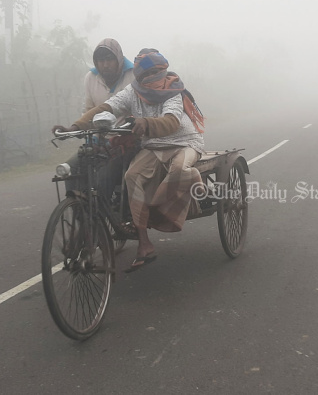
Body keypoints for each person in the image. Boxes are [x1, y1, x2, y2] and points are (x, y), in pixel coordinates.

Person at [61, 49, 205, 273]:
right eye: (147, 74)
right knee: (132, 176)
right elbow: (106, 107)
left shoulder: (173, 90)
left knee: (180, 170)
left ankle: (160, 213)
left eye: (157, 72)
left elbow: (171, 122)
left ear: (165, 71)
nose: (152, 78)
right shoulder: (133, 91)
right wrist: (76, 126)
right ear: (138, 76)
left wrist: (146, 123)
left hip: (184, 143)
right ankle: (144, 244)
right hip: (153, 146)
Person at [52, 39, 135, 199]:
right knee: (70, 170)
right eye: (100, 60)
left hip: (125, 143)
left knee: (104, 177)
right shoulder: (90, 78)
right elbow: (90, 112)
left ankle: (102, 216)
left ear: (119, 59)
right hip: (99, 142)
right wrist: (73, 129)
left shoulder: (133, 76)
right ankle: (81, 215)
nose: (105, 65)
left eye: (109, 59)